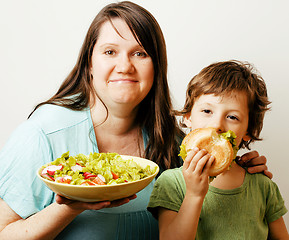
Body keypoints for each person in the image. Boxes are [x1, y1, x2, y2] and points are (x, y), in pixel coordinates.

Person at [0, 1, 271, 239]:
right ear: (89, 64)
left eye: (140, 53)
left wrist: (240, 169)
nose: (125, 66)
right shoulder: (43, 134)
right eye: (109, 52)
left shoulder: (173, 139)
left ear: (156, 65)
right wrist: (71, 204)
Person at [147, 60, 289, 239]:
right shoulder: (171, 182)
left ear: (249, 131)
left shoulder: (262, 186)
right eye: (207, 111)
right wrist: (194, 195)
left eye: (232, 117)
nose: (216, 125)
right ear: (188, 117)